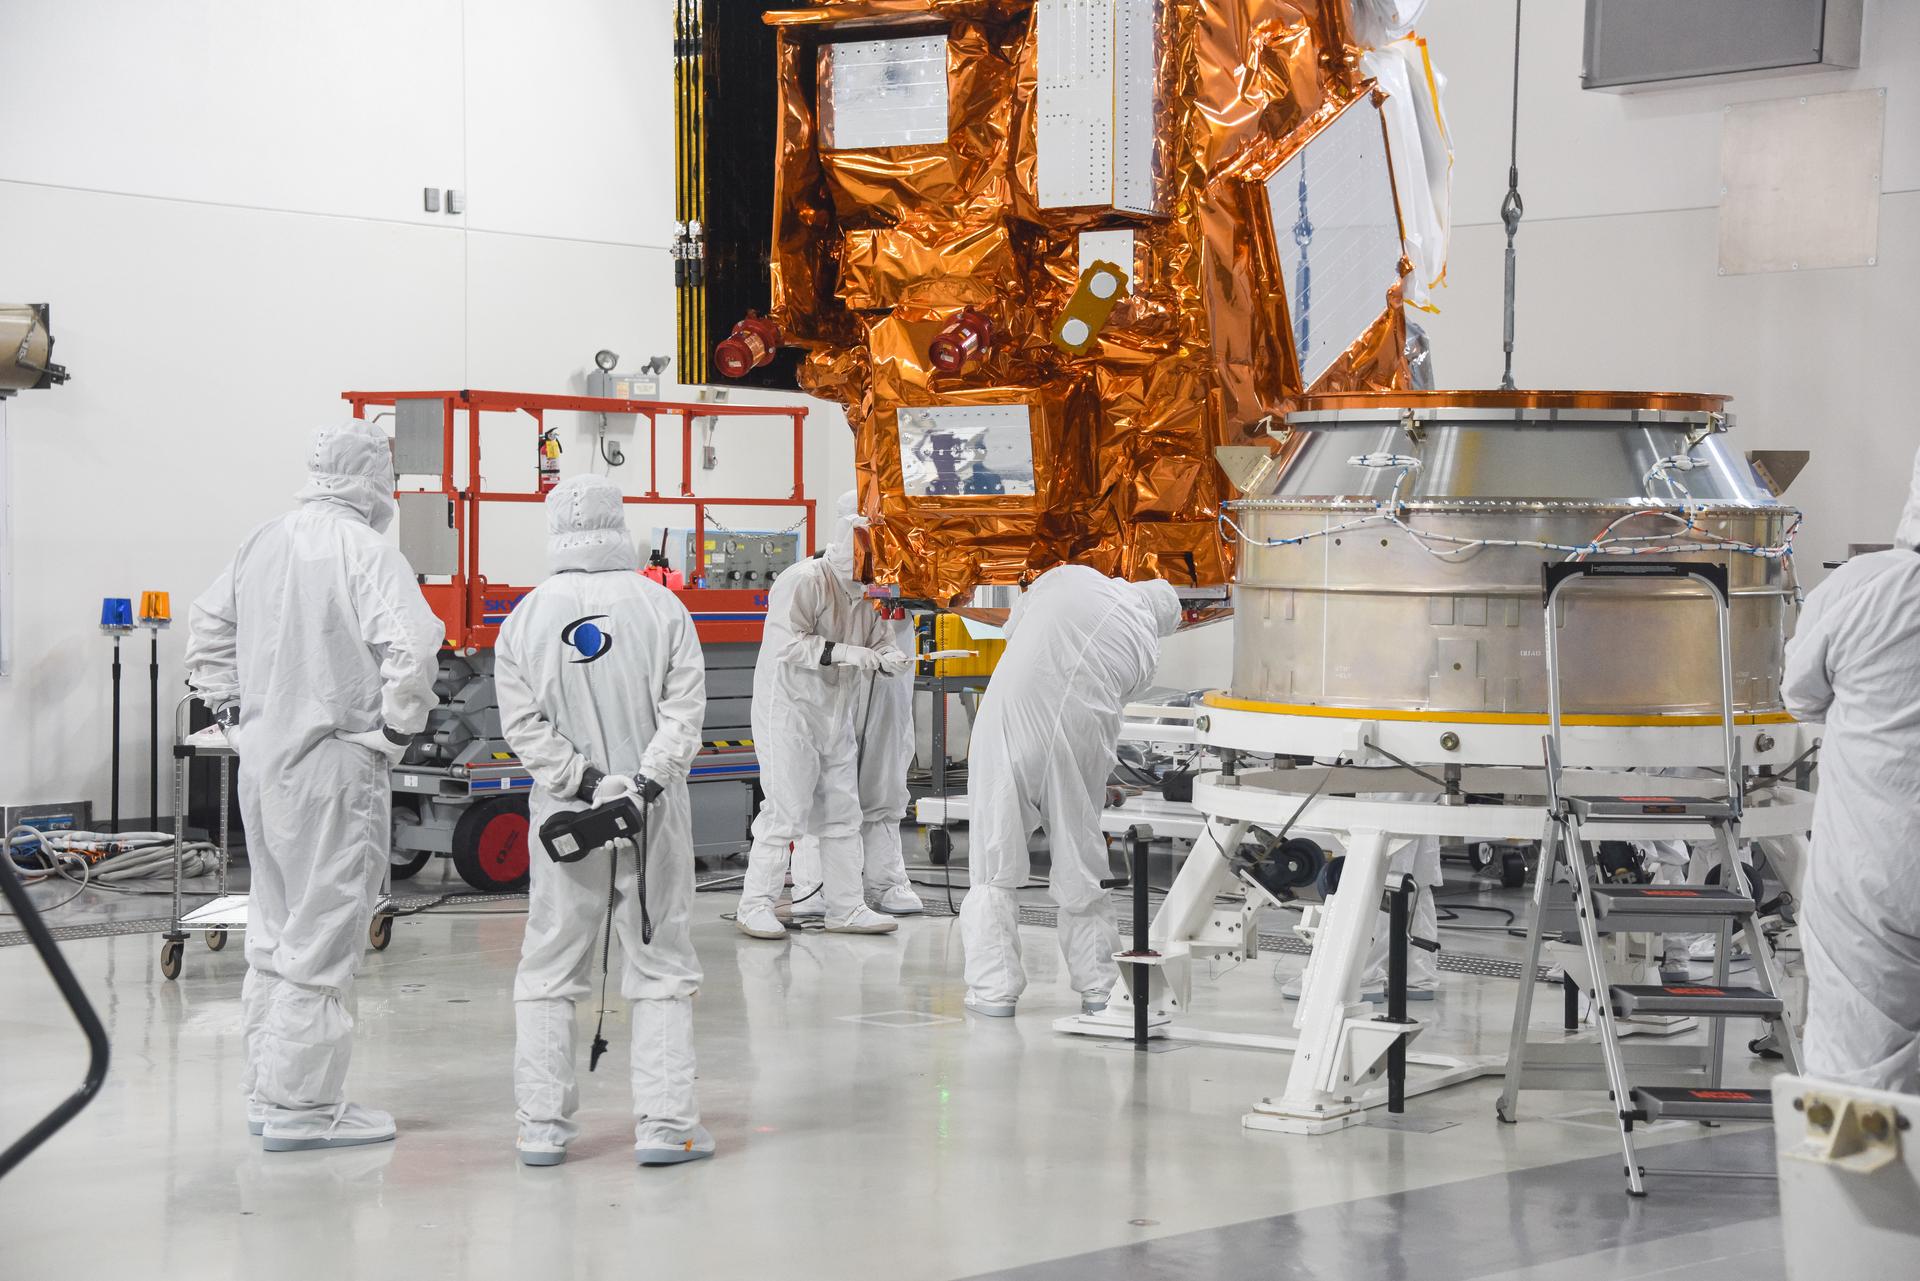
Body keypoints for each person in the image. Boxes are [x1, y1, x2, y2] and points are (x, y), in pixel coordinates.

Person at [186, 421, 443, 1151]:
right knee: (324, 932)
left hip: (265, 764)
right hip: (335, 765)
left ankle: (268, 1092)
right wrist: (395, 732)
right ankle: (304, 1109)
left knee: (274, 929)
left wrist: (235, 715)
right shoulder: (365, 550)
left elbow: (206, 630)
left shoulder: (263, 540)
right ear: (374, 477)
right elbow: (413, 647)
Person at [493, 475, 712, 1166]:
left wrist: (586, 784)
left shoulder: (525, 618)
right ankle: (667, 1126)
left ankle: (540, 1128)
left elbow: (523, 728)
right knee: (660, 963)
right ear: (621, 523)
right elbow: (684, 716)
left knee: (550, 965)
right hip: (652, 816)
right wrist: (639, 786)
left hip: (568, 821)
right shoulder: (662, 607)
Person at [959, 565, 1182, 1016]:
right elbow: (1101, 697)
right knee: (1081, 862)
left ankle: (994, 991)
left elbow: (1013, 631)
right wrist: (1097, 779)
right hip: (1081, 742)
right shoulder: (1146, 650)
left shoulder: (1070, 577)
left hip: (1010, 725)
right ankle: (1099, 987)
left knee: (994, 859)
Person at [1782, 448, 1920, 1094]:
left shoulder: (1864, 588)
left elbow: (1801, 696)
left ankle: (1858, 1158)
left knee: (1855, 1077)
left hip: (1873, 870)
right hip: (1874, 867)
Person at [734, 499, 915, 940]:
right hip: (790, 711)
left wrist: (889, 656)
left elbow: (879, 636)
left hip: (836, 711)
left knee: (842, 812)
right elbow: (788, 645)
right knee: (786, 811)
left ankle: (845, 907)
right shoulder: (803, 581)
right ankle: (755, 905)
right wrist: (851, 653)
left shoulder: (866, 592)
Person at [787, 496, 925, 923]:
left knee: (886, 765)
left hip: (889, 659)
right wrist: (848, 652)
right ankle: (813, 883)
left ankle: (885, 878)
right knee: (824, 775)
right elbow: (792, 642)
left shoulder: (899, 566)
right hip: (828, 678)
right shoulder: (816, 578)